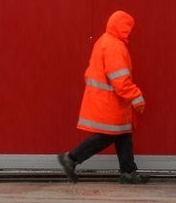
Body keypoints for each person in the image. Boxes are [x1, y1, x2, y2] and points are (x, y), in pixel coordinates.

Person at [57, 10, 148, 184]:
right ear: (122, 27)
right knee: (107, 135)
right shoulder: (115, 46)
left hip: (105, 100)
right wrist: (136, 97)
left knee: (123, 134)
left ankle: (128, 171)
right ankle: (71, 158)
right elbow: (120, 80)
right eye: (128, 27)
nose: (129, 31)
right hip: (111, 101)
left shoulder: (103, 41)